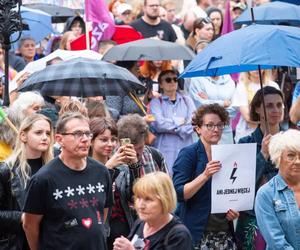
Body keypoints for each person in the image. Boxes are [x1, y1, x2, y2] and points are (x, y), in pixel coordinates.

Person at [22, 112, 113, 250]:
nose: (84, 139)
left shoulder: (101, 172)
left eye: (87, 134)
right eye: (77, 134)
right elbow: (29, 225)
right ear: (59, 139)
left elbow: (102, 213)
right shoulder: (43, 179)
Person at [172, 104, 239, 248]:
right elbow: (179, 193)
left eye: (220, 125)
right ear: (198, 129)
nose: (215, 129)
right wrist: (205, 175)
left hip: (224, 231)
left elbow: (231, 191)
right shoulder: (189, 154)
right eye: (210, 125)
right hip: (197, 233)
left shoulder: (227, 154)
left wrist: (233, 210)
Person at [235, 86, 285, 249]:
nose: (275, 110)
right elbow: (242, 185)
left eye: (279, 105)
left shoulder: (292, 140)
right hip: (253, 216)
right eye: (269, 105)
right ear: (257, 108)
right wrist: (262, 154)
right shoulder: (245, 143)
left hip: (287, 214)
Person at [0, 113, 54, 250]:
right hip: (17, 243)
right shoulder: (6, 170)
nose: (44, 137)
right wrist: (24, 217)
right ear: (23, 136)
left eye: (48, 133)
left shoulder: (55, 169)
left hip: (50, 240)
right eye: (38, 133)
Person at [113, 172, 193, 250]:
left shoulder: (178, 235)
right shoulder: (141, 223)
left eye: (148, 199)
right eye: (138, 197)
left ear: (165, 200)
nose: (141, 206)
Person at [90, 117, 137, 250]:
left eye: (113, 139)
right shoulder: (85, 167)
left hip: (124, 228)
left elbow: (133, 196)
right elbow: (95, 198)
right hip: (98, 230)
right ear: (91, 141)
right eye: (104, 140)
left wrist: (135, 165)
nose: (110, 144)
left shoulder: (121, 167)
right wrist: (108, 169)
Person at [255, 129, 300, 249]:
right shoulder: (266, 194)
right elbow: (276, 242)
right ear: (278, 157)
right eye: (291, 155)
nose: (297, 161)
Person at [150, 70, 195, 173]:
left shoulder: (187, 100)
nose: (172, 82)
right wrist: (181, 123)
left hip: (185, 146)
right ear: (161, 84)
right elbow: (159, 124)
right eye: (168, 80)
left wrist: (171, 123)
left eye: (175, 79)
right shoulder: (156, 102)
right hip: (165, 149)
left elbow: (194, 122)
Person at [232, 70, 279, 142]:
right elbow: (248, 117)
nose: (256, 69)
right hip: (246, 135)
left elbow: (279, 114)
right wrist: (268, 120)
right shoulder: (241, 87)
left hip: (272, 135)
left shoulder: (273, 86)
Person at [188, 73, 236, 144]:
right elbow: (200, 106)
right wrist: (223, 104)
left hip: (225, 132)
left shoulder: (229, 80)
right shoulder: (196, 80)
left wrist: (209, 102)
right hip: (205, 132)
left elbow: (234, 108)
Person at [117, 113, 168, 178]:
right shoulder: (112, 161)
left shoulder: (155, 156)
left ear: (145, 141)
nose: (135, 154)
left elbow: (167, 186)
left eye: (140, 148)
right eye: (130, 149)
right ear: (121, 143)